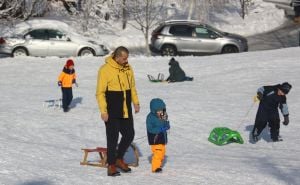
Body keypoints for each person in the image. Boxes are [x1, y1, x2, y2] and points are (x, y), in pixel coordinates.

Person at [96, 46, 140, 176]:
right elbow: (100, 92)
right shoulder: (105, 70)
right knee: (113, 138)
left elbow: (132, 87)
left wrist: (136, 102)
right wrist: (103, 111)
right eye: (124, 58)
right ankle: (111, 165)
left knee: (129, 134)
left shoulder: (128, 68)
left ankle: (119, 159)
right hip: (112, 109)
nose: (127, 60)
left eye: (127, 58)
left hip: (126, 108)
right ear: (117, 56)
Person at [146, 98, 170, 173]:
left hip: (162, 138)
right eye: (158, 110)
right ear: (154, 110)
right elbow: (150, 129)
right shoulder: (150, 118)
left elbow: (166, 122)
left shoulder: (163, 114)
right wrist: (159, 129)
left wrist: (167, 125)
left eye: (162, 110)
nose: (160, 112)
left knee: (162, 153)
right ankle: (155, 167)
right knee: (158, 152)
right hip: (155, 139)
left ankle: (158, 164)